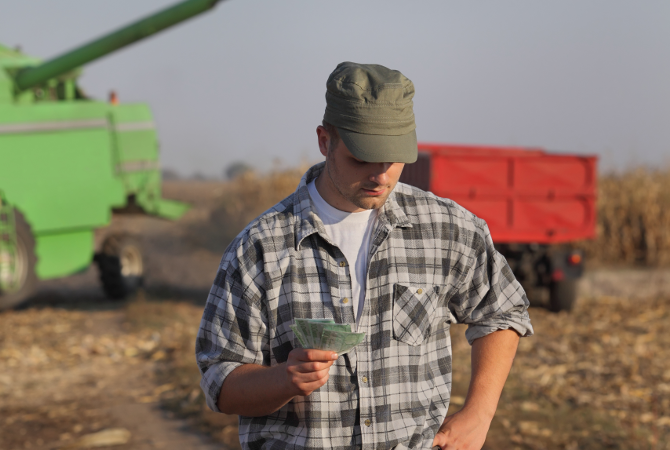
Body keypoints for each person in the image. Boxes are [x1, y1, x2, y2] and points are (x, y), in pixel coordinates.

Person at [195, 62, 533, 450]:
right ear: (325, 142)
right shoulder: (259, 248)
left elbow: (502, 311)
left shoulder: (449, 228)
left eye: (392, 159)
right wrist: (285, 379)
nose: (381, 175)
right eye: (362, 159)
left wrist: (479, 413)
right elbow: (219, 380)